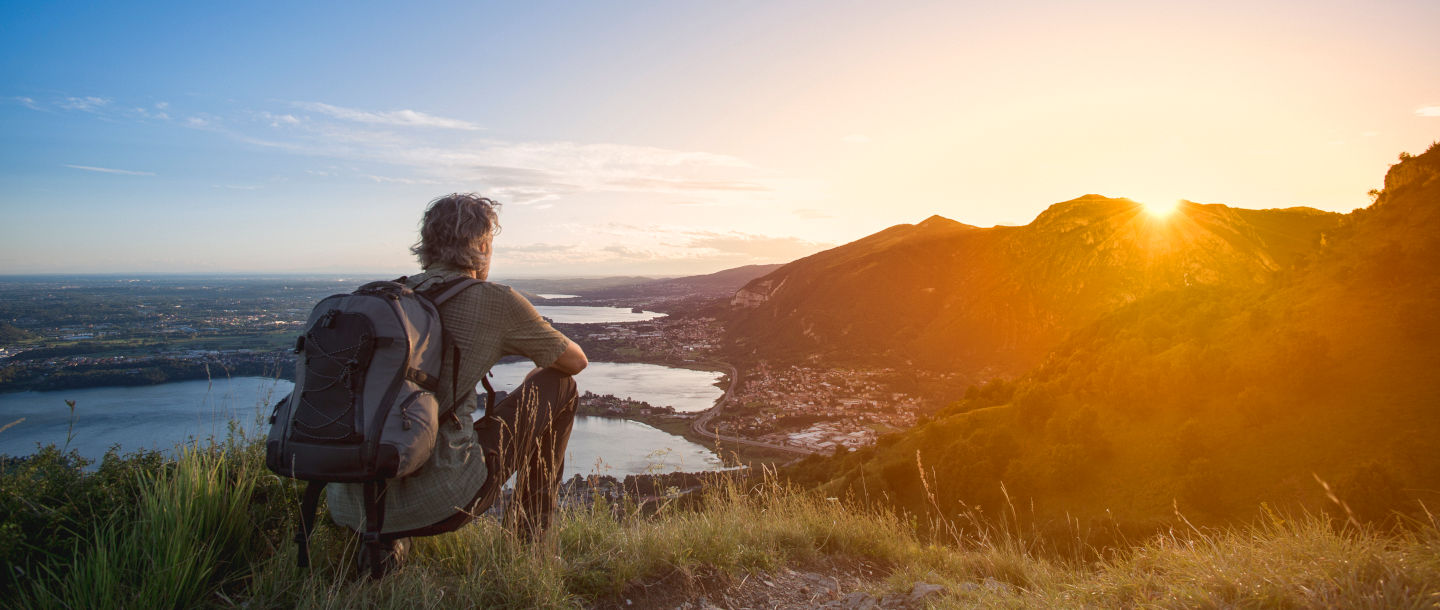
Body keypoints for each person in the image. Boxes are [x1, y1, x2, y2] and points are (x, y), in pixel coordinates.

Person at [325, 193, 588, 571]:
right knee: (559, 385)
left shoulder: (383, 298)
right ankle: (529, 547)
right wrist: (533, 366)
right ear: (482, 245)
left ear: (428, 244)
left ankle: (384, 547)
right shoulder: (496, 300)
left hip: (349, 503)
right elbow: (574, 362)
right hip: (442, 499)